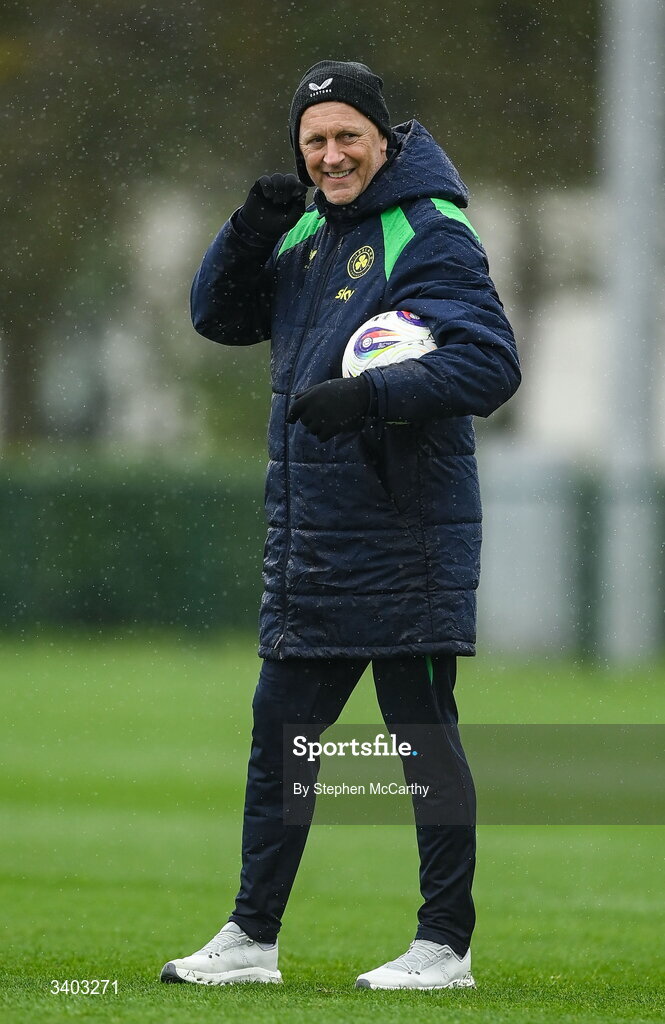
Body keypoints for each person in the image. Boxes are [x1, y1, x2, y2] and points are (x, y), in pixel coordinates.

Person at [161, 59, 520, 990]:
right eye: (313, 140)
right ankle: (250, 939)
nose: (329, 155)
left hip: (407, 536)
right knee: (279, 740)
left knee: (420, 743)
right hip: (314, 539)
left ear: (382, 138)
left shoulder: (429, 229)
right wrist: (246, 234)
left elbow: (488, 367)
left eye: (345, 136)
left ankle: (444, 948)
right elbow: (215, 316)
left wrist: (368, 400)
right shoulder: (307, 233)